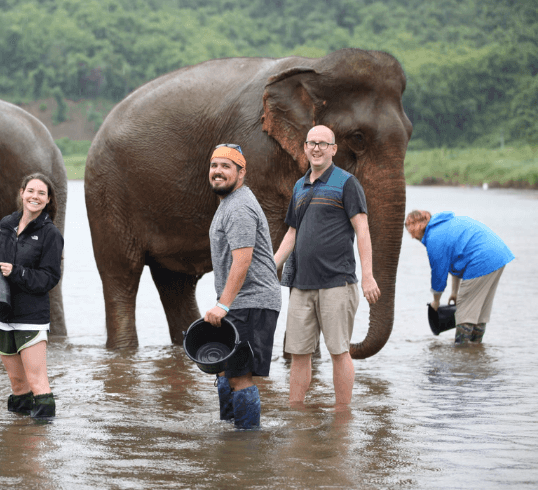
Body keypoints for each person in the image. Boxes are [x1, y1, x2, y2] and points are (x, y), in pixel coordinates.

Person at [273, 125, 380, 406]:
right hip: (301, 285)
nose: (317, 148)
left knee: (338, 351)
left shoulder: (347, 183)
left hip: (337, 283)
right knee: (298, 353)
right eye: (312, 143)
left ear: (333, 149)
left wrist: (367, 276)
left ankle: (342, 418)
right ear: (305, 148)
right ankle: (295, 411)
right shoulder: (300, 186)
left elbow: (363, 230)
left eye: (323, 143)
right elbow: (292, 234)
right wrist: (271, 265)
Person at [204, 143, 282, 429]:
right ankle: (231, 439)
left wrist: (223, 305)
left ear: (241, 172)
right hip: (241, 302)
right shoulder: (229, 204)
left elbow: (243, 260)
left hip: (252, 302)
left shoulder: (238, 207)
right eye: (214, 166)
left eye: (226, 166)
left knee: (239, 376)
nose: (218, 172)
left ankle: (247, 442)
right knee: (225, 372)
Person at [0, 173, 64, 419]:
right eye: (31, 191)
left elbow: (49, 278)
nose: (35, 197)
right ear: (22, 192)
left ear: (48, 199)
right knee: (18, 385)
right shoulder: (6, 224)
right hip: (2, 315)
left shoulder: (50, 234)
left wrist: (16, 272)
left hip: (31, 317)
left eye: (41, 193)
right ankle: (18, 442)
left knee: (37, 382)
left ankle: (40, 447)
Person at [404, 210, 514, 345]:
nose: (415, 238)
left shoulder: (434, 237)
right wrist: (454, 292)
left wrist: (436, 301)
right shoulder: (443, 226)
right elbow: (455, 262)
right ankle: (475, 350)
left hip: (481, 259)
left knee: (465, 311)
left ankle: (462, 351)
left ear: (417, 228)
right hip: (498, 256)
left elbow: (438, 275)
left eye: (414, 235)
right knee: (480, 311)